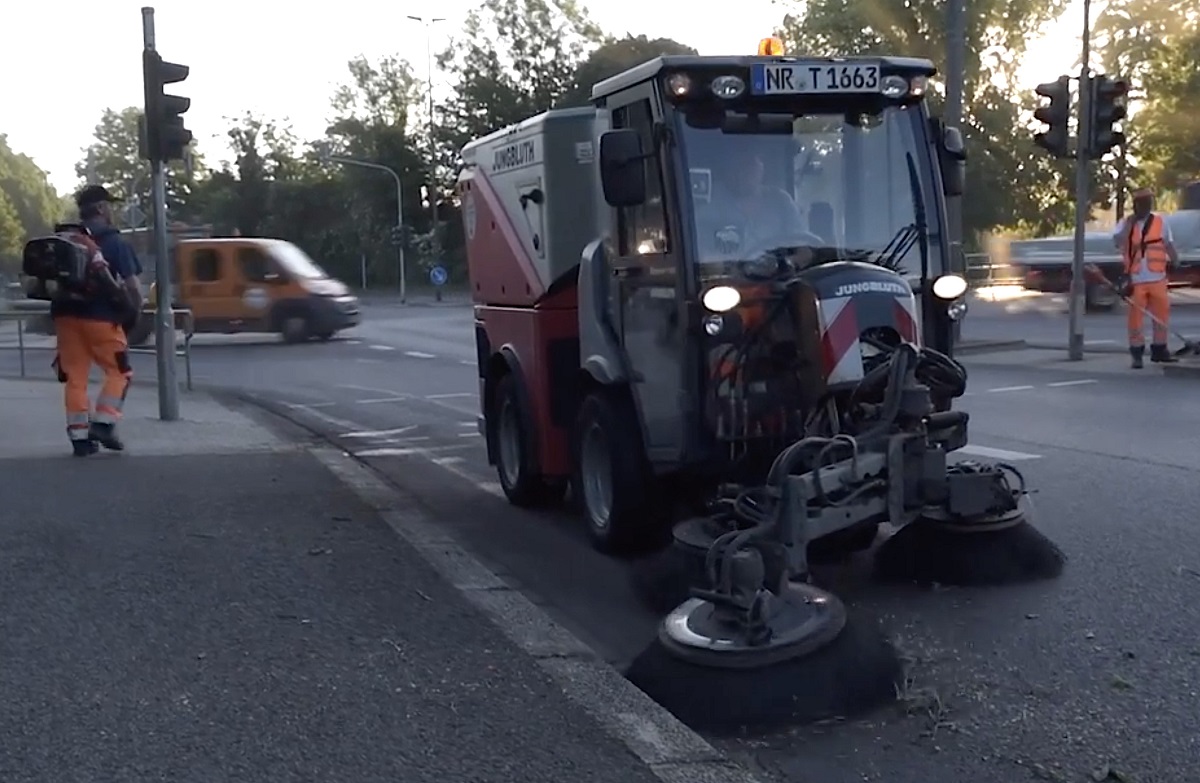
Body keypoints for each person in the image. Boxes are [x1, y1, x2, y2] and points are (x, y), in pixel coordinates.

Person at [52, 185, 144, 455]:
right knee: (120, 372)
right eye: (110, 206)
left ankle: (80, 440)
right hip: (101, 319)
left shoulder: (68, 240)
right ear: (102, 209)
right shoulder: (115, 243)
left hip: (66, 318)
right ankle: (104, 424)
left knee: (75, 378)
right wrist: (133, 313)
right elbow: (133, 288)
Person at [1113, 187, 1180, 368]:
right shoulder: (1125, 223)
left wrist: (1175, 260)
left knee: (1161, 315)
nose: (1145, 206)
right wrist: (1130, 224)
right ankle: (1137, 354)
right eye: (1142, 203)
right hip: (1135, 279)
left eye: (1148, 202)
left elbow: (1168, 244)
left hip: (1157, 277)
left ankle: (1160, 350)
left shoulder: (1160, 222)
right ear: (1135, 205)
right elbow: (1118, 241)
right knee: (1135, 319)